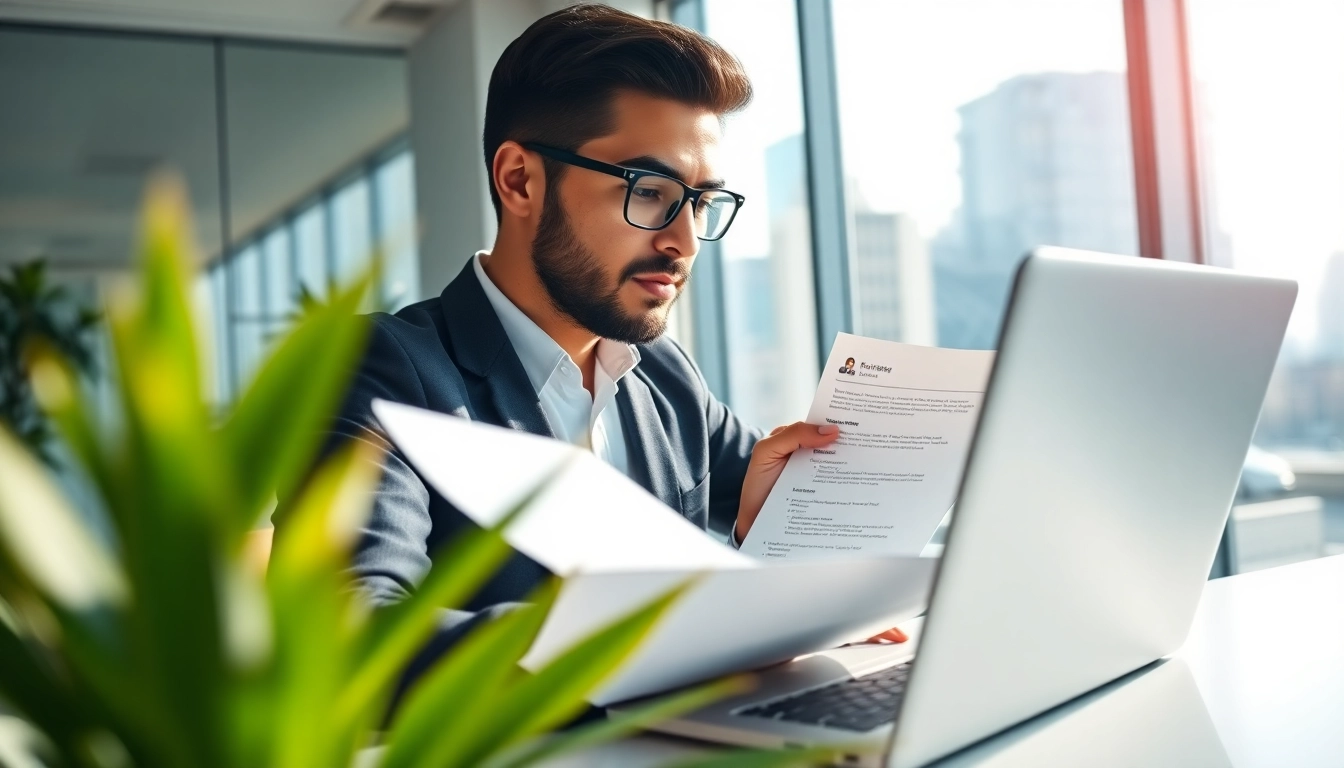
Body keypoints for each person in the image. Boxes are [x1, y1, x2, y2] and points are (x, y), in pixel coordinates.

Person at [290, 3, 906, 693]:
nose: (684, 242)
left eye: (701, 202)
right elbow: (346, 635)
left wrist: (795, 521)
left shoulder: (664, 374)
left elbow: (772, 518)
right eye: (650, 193)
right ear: (519, 180)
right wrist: (654, 632)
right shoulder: (384, 368)